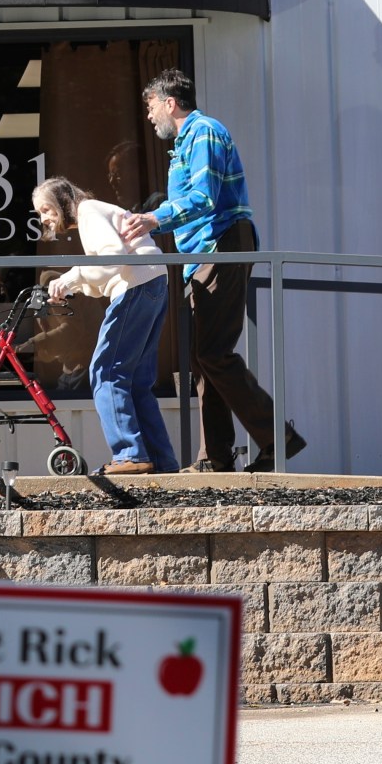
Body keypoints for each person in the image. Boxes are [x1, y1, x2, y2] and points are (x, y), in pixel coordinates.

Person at [116, 69, 305, 472]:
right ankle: (215, 459)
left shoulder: (204, 132)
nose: (149, 116)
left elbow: (203, 197)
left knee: (214, 354)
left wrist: (154, 219)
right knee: (204, 361)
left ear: (170, 103)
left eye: (150, 107)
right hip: (203, 255)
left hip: (222, 246)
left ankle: (278, 438)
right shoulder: (186, 143)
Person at [35, 177, 177, 476]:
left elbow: (112, 258)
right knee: (137, 380)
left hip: (135, 286)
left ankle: (130, 453)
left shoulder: (89, 212)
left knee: (106, 373)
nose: (45, 218)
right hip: (152, 282)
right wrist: (72, 280)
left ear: (62, 201)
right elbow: (106, 269)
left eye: (46, 209)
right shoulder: (97, 211)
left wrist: (72, 278)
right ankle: (160, 460)